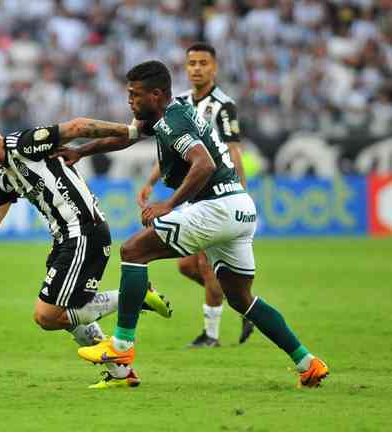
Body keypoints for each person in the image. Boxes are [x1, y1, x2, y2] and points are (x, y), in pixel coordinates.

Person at [59, 60, 329, 387]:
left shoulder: (173, 122)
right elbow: (127, 137)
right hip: (240, 208)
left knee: (133, 251)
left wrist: (168, 205)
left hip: (215, 206)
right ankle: (307, 362)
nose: (130, 101)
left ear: (157, 95)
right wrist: (82, 151)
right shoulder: (164, 117)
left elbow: (203, 163)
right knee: (242, 298)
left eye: (135, 95)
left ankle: (120, 347)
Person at [0, 113, 172, 389]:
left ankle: (133, 296)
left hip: (83, 233)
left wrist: (131, 132)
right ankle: (120, 373)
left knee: (46, 316)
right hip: (64, 240)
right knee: (65, 314)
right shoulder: (4, 178)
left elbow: (77, 127)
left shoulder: (24, 145)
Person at [141, 42, 254, 347]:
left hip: (219, 195)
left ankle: (211, 335)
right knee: (187, 266)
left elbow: (232, 151)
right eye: (192, 63)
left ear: (214, 68)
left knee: (205, 264)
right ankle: (245, 304)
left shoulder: (223, 105)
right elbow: (174, 148)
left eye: (203, 63)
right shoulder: (179, 104)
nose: (197, 69)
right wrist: (151, 181)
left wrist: (238, 192)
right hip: (197, 195)